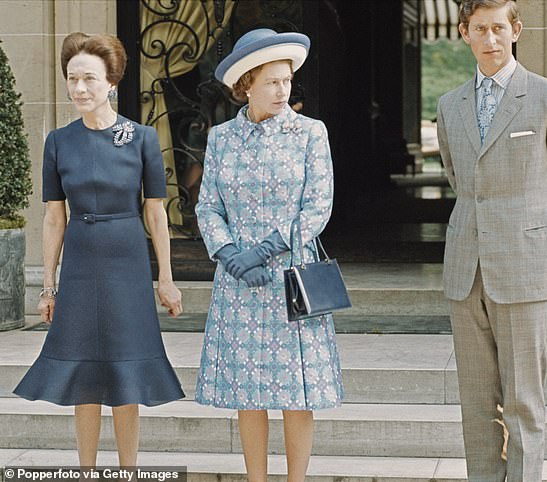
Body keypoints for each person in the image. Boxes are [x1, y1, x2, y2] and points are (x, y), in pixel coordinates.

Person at [13, 32, 185, 467]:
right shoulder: (59, 141)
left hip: (127, 260)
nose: (79, 89)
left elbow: (156, 215)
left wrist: (165, 278)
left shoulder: (143, 138)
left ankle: (130, 471)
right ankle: (85, 471)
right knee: (84, 375)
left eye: (89, 78)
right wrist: (48, 286)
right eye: (72, 79)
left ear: (112, 82)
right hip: (80, 263)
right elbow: (54, 218)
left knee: (126, 373)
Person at [436, 1, 547, 480]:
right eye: (479, 29)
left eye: (499, 28)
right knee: (477, 404)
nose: (490, 39)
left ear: (516, 30)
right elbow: (458, 177)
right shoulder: (449, 104)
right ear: (464, 33)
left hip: (526, 265)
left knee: (523, 402)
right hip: (466, 269)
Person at [195, 28, 344, 481]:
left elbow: (318, 205)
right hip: (239, 281)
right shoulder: (222, 138)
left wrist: (265, 249)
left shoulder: (309, 134)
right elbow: (207, 205)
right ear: (246, 84)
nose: (284, 90)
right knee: (249, 394)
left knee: (296, 395)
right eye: (273, 82)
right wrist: (229, 253)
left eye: (287, 80)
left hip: (290, 279)